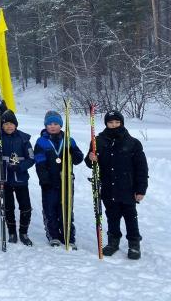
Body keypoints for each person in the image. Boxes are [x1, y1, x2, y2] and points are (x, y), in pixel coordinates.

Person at [85, 110, 148, 260]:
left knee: (130, 217)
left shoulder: (132, 143)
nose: (114, 125)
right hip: (108, 187)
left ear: (122, 123)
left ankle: (134, 244)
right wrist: (91, 158)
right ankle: (113, 242)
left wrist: (141, 189)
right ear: (106, 123)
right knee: (112, 216)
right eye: (110, 122)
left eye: (117, 122)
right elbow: (90, 164)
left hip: (128, 188)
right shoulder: (98, 141)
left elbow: (142, 168)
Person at [34, 110, 83, 248]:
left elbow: (79, 159)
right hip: (49, 182)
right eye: (49, 124)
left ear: (61, 125)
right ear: (45, 125)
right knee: (50, 208)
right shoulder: (41, 142)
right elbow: (40, 163)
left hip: (66, 181)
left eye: (56, 123)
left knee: (66, 209)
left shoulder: (69, 140)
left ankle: (68, 236)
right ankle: (53, 235)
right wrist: (44, 179)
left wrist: (74, 152)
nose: (53, 126)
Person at [0, 110, 34, 246]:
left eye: (11, 124)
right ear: (2, 126)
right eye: (6, 124)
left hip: (21, 179)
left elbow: (31, 158)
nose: (8, 126)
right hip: (5, 179)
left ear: (16, 125)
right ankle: (12, 232)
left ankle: (23, 232)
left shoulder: (24, 139)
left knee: (25, 207)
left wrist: (20, 167)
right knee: (8, 207)